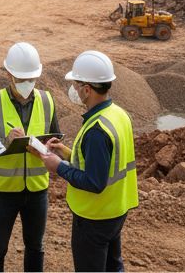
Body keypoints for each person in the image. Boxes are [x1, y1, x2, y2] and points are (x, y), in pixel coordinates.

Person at [35, 50, 138, 273]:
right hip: (117, 209)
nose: (73, 89)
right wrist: (65, 151)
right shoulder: (118, 114)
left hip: (94, 217)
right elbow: (103, 163)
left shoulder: (97, 130)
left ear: (87, 89)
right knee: (113, 266)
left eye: (76, 84)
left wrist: (57, 167)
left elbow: (94, 182)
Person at [0, 42, 60, 272]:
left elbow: (56, 140)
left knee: (36, 247)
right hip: (3, 192)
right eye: (21, 79)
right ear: (9, 74)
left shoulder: (47, 100)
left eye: (30, 79)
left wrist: (46, 147)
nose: (26, 84)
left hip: (37, 190)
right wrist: (4, 141)